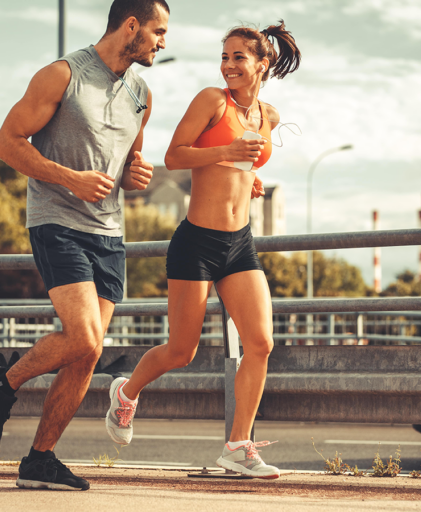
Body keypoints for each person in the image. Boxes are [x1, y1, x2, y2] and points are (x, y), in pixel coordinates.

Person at [0, 0, 169, 491]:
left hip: (108, 233)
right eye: (158, 31)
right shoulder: (63, 75)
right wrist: (69, 178)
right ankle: (1, 383)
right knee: (83, 336)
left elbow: (129, 163)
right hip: (57, 221)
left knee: (87, 353)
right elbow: (7, 142)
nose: (163, 42)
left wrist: (135, 175)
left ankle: (39, 459)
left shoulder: (142, 93)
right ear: (131, 26)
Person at [104, 20, 301, 479]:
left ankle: (238, 446)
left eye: (239, 57)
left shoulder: (268, 116)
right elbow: (174, 156)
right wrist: (227, 150)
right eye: (225, 56)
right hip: (196, 242)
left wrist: (248, 177)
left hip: (240, 244)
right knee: (181, 350)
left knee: (261, 343)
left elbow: (241, 162)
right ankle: (126, 393)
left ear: (262, 63)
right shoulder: (212, 101)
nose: (228, 65)